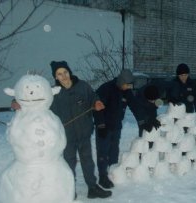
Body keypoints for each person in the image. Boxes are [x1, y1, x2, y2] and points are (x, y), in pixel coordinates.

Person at [49, 61, 111, 199]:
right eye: (59, 74)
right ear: (55, 77)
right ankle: (69, 190)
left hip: (84, 133)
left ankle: (92, 188)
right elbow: (40, 104)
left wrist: (96, 103)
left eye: (65, 72)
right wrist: (18, 103)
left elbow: (93, 97)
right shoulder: (53, 93)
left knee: (88, 160)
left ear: (69, 71)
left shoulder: (83, 86)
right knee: (69, 163)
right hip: (66, 137)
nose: (64, 76)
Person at [93, 69, 160, 189]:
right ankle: (103, 177)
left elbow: (135, 107)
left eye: (130, 85)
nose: (128, 87)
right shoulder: (106, 89)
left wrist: (144, 121)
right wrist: (100, 125)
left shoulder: (127, 92)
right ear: (120, 81)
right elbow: (96, 108)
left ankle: (112, 172)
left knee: (114, 151)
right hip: (104, 126)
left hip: (116, 126)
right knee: (103, 151)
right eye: (126, 84)